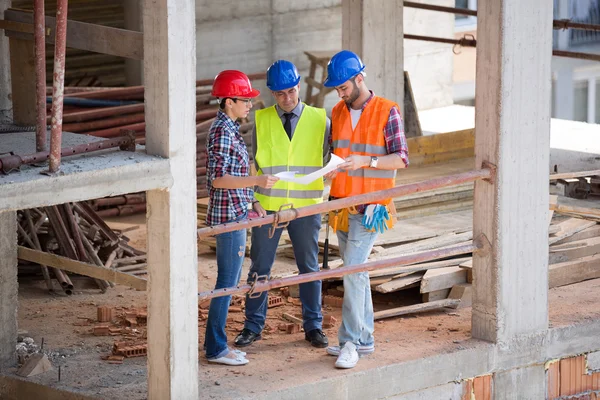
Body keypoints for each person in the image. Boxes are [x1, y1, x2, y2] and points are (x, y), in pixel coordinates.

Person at [234, 60, 331, 349]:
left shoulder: (320, 119)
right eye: (280, 94)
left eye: (291, 91)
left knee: (309, 267)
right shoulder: (261, 121)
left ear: (298, 86)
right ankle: (253, 325)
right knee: (259, 267)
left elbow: (328, 161)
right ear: (272, 94)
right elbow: (253, 163)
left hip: (305, 206)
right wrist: (252, 198)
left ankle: (313, 325)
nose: (287, 99)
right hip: (268, 206)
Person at [322, 50, 409, 369]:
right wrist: (333, 169)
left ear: (360, 78)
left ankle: (350, 342)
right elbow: (339, 154)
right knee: (356, 273)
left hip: (372, 208)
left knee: (352, 273)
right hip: (343, 205)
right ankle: (366, 337)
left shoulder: (388, 111)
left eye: (343, 86)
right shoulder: (338, 111)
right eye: (336, 89)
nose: (340, 93)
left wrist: (368, 161)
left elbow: (401, 158)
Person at [204, 70, 279, 366]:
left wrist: (253, 200)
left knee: (230, 280)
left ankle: (217, 345)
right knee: (227, 281)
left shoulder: (232, 126)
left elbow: (238, 171)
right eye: (244, 100)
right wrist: (257, 183)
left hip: (237, 210)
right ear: (228, 101)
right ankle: (216, 348)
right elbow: (219, 179)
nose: (249, 104)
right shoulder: (222, 131)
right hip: (227, 216)